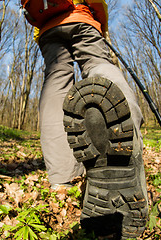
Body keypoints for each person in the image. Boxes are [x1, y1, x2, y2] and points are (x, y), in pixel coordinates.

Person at [23, 0, 149, 238]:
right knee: (97, 63)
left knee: (56, 79)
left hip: (47, 26)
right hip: (81, 17)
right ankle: (126, 132)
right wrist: (100, 23)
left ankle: (61, 179)